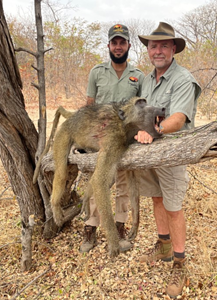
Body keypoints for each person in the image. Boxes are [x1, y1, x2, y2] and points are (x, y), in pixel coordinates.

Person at [135, 22, 201, 298]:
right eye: (153, 46)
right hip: (149, 152)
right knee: (157, 198)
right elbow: (140, 110)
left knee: (174, 207)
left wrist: (156, 131)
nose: (158, 51)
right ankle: (163, 246)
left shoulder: (183, 78)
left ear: (173, 49)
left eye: (164, 45)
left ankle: (179, 263)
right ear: (148, 51)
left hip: (172, 151)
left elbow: (179, 118)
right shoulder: (146, 80)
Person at [80, 24, 145, 253]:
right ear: (109, 45)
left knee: (124, 184)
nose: (118, 47)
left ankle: (119, 227)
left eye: (122, 42)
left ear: (128, 45)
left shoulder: (138, 76)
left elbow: (141, 109)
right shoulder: (97, 72)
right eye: (114, 42)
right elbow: (88, 106)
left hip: (125, 141)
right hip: (101, 139)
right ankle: (90, 229)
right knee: (99, 181)